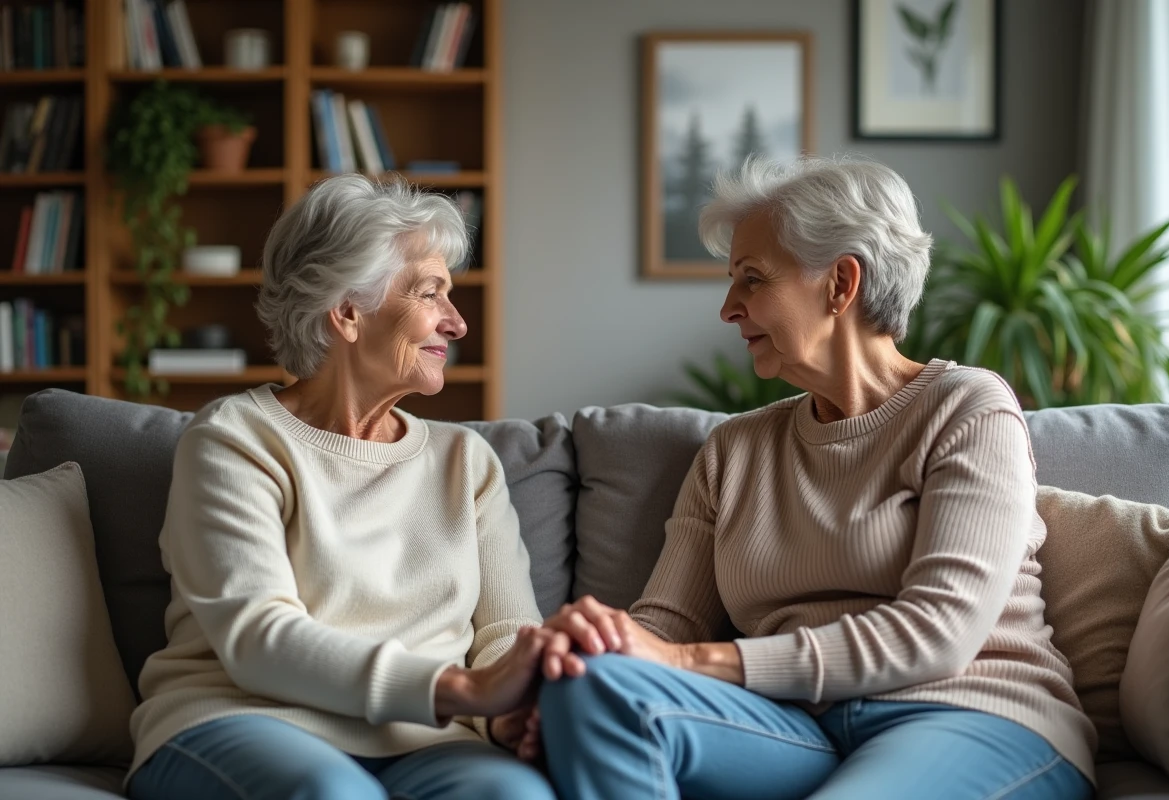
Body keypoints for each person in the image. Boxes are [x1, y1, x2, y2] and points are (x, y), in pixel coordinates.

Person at [532, 157, 1097, 800]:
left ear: (840, 283)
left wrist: (687, 663)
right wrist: (590, 649)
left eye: (752, 280)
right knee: (589, 687)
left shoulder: (968, 408)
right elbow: (665, 629)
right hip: (800, 728)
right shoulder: (734, 451)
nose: (727, 308)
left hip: (973, 714)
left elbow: (938, 633)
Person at [126, 174, 557, 800]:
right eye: (431, 294)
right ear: (348, 311)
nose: (458, 323)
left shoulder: (466, 461)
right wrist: (458, 690)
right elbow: (258, 638)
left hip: (427, 739)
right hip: (246, 720)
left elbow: (505, 632)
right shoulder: (234, 439)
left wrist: (513, 704)